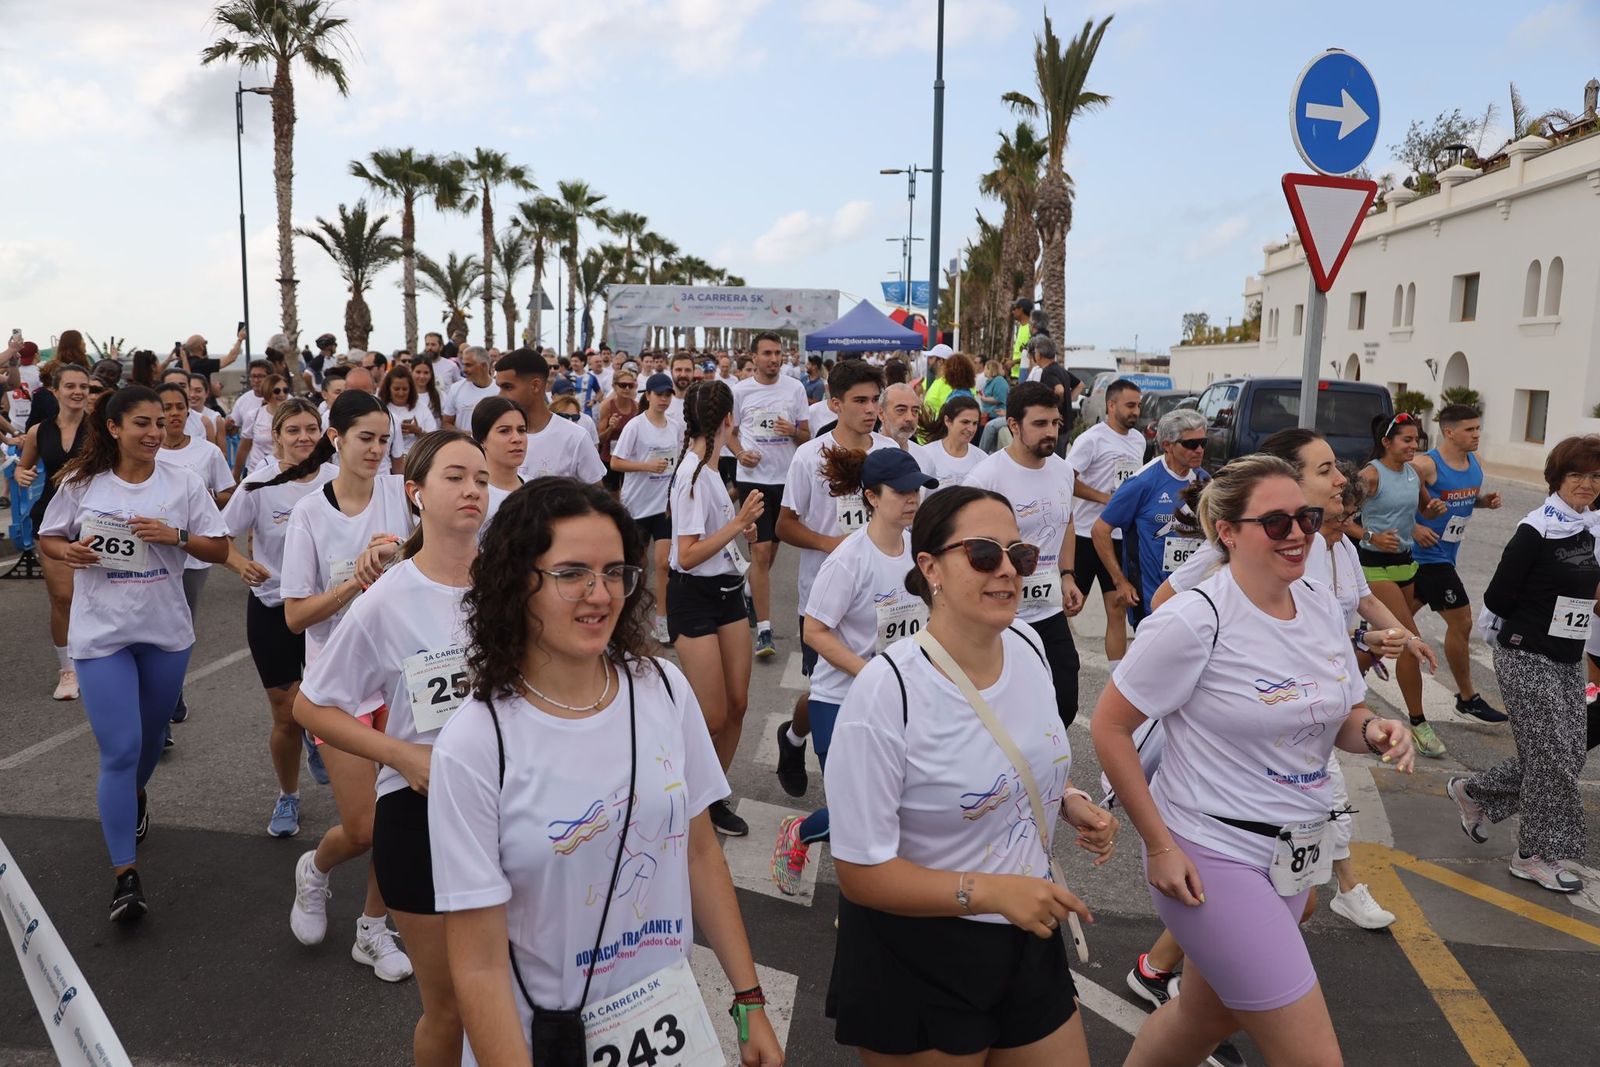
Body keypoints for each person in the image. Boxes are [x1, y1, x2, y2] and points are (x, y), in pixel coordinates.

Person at [428, 478, 783, 1067]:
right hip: (543, 1042)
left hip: (671, 1031)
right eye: (571, 574)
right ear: (518, 582)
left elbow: (698, 853)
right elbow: (479, 964)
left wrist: (749, 1002)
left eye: (615, 571)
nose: (601, 594)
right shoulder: (475, 742)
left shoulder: (663, 688)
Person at [1092, 454, 1415, 1067]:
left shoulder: (1320, 604)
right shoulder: (1195, 617)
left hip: (1292, 853)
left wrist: (1375, 729)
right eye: (1276, 522)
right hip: (1211, 857)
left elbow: (1343, 718)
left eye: (1306, 518)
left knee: (1200, 1019)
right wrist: (1159, 844)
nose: (1297, 534)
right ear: (1228, 531)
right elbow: (1109, 727)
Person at [824, 484, 1114, 1064]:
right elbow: (860, 873)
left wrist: (1068, 796)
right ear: (929, 566)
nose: (1008, 570)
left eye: (1020, 555)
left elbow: (1022, 754)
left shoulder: (1030, 646)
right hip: (918, 953)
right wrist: (990, 892)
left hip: (1025, 933)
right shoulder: (888, 691)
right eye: (984, 554)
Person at [297, 431, 487, 1066]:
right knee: (451, 1006)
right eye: (456, 477)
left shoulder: (514, 589)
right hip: (421, 816)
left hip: (508, 809)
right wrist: (402, 757)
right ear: (416, 493)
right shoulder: (387, 599)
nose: (472, 490)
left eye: (481, 480)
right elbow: (311, 705)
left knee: (511, 991)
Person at [37, 385, 231, 920]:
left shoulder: (184, 482)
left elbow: (218, 547)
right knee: (120, 750)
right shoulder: (83, 483)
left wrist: (176, 535)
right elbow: (49, 538)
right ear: (115, 428)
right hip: (101, 635)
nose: (153, 432)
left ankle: (132, 796)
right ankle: (125, 876)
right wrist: (69, 550)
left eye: (161, 422)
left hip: (165, 632)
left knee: (147, 745)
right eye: (141, 423)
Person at [277, 389, 415, 982]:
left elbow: (421, 561)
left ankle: (372, 927)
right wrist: (356, 580)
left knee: (401, 818)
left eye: (385, 439)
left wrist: (399, 555)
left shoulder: (399, 494)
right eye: (366, 438)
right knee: (362, 828)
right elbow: (295, 616)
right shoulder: (310, 512)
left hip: (402, 678)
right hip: (337, 687)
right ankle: (315, 869)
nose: (378, 450)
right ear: (336, 438)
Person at [771, 447, 933, 895]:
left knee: (899, 805)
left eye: (915, 489)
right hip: (841, 699)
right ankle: (800, 834)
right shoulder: (849, 559)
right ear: (871, 497)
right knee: (853, 812)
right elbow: (815, 631)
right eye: (901, 491)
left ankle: (880, 898)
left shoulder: (919, 549)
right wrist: (870, 672)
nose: (912, 498)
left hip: (902, 698)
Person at [1449, 435, 1600, 894]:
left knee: (1567, 752)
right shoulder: (1536, 530)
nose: (1587, 485)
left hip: (1566, 656)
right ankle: (1533, 854)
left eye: (1595, 477)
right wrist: (1546, 607)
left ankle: (1473, 793)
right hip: (1524, 652)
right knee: (1552, 756)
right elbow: (1497, 597)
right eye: (1577, 475)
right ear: (1557, 479)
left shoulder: (1588, 527)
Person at [773, 361, 899, 795]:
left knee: (875, 686)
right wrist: (834, 544)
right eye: (860, 401)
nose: (870, 409)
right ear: (834, 404)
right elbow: (784, 525)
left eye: (875, 400)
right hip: (824, 601)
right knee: (826, 687)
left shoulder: (890, 453)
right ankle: (793, 737)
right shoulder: (810, 455)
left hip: (885, 600)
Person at [221, 398, 333, 837]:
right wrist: (240, 565)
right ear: (276, 435)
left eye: (311, 429)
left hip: (328, 609)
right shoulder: (258, 484)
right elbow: (219, 536)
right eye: (294, 430)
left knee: (332, 702)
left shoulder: (337, 479)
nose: (304, 438)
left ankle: (319, 734)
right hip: (273, 606)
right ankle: (289, 795)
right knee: (286, 713)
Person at [668, 381, 767, 837]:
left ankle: (713, 799)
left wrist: (737, 534)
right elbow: (687, 555)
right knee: (711, 715)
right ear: (728, 420)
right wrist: (739, 522)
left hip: (728, 593)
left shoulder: (709, 471)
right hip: (692, 597)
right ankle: (680, 797)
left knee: (738, 704)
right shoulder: (690, 474)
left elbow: (713, 540)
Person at [964, 381, 1086, 728]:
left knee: (1064, 699)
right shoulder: (986, 478)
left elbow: (1067, 522)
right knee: (1003, 709)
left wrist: (1067, 575)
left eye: (1056, 424)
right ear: (1014, 425)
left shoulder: (1062, 470)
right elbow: (967, 546)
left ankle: (1043, 765)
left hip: (1047, 607)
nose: (1051, 432)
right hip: (1000, 613)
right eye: (1040, 424)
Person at [1346, 412, 1451, 757]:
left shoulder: (1413, 473)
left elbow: (1425, 511)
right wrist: (1371, 536)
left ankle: (1344, 686)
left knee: (1386, 640)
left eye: (1416, 440)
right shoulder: (1370, 476)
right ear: (1387, 442)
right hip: (1374, 568)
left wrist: (1434, 509)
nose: (1413, 445)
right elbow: (1341, 518)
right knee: (1409, 637)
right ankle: (1419, 723)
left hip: (1406, 564)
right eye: (1406, 439)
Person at [1409, 404, 1507, 723]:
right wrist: (1414, 527)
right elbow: (1389, 498)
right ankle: (1468, 698)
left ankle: (1350, 665)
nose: (1477, 434)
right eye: (1470, 429)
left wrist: (1482, 502)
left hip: (1445, 556)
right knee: (1462, 622)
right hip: (1425, 557)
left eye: (1478, 429)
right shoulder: (1425, 465)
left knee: (1392, 628)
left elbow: (1458, 499)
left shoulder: (1474, 462)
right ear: (1449, 431)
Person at [155, 382, 236, 725]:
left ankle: (172, 694)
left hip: (193, 553)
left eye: (179, 406)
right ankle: (163, 698)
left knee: (180, 625)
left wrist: (202, 498)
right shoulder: (147, 451)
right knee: (155, 625)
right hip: (153, 553)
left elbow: (229, 493)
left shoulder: (207, 453)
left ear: (188, 410)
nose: (174, 413)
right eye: (167, 407)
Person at [730, 331, 812, 659]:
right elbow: (729, 433)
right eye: (767, 353)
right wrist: (739, 453)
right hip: (754, 479)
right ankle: (765, 631)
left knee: (771, 553)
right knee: (760, 553)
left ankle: (750, 590)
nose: (774, 359)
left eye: (778, 353)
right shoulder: (740, 391)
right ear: (754, 358)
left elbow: (806, 436)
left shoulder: (795, 388)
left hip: (787, 481)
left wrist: (792, 431)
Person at [1092, 408, 1210, 631]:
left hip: (1193, 594)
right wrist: (1120, 580)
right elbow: (1100, 530)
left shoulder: (1204, 480)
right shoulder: (1142, 482)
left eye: (1203, 442)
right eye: (1191, 444)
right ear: (1167, 445)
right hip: (1151, 597)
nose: (1200, 450)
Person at [15, 363, 90, 700]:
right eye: (71, 386)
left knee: (97, 597)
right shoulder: (38, 431)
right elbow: (23, 466)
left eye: (83, 387)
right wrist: (21, 476)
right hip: (51, 518)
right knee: (62, 597)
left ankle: (97, 660)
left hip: (95, 520)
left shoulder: (104, 430)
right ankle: (68, 669)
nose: (77, 392)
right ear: (57, 390)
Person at [1070, 378, 1147, 661]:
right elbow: (1068, 480)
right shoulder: (1091, 439)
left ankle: (1116, 679)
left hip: (1119, 538)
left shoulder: (1139, 441)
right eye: (1129, 405)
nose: (1135, 411)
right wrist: (1105, 499)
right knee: (1071, 606)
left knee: (1116, 608)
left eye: (1137, 405)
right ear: (1111, 405)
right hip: (1085, 535)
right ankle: (1059, 664)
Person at [609, 372, 680, 644]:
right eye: (659, 394)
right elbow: (616, 462)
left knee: (663, 564)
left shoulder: (674, 427)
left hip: (663, 506)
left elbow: (676, 462)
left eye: (667, 394)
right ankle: (625, 616)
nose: (663, 398)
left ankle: (661, 621)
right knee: (636, 566)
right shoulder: (635, 427)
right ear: (647, 395)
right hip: (636, 506)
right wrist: (646, 466)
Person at [492, 348, 606, 482]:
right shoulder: (491, 435)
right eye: (499, 387)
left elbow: (597, 497)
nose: (500, 396)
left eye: (507, 387)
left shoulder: (575, 438)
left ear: (535, 386)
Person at [469, 396, 526, 529]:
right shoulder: (471, 496)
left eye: (521, 430)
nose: (517, 439)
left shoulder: (537, 490)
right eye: (504, 431)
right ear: (481, 439)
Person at [913, 395, 985, 486]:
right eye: (965, 422)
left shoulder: (982, 459)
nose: (971, 429)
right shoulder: (926, 454)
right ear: (947, 421)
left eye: (975, 423)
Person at [595, 363, 640, 495]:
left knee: (629, 494)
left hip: (629, 459)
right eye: (622, 385)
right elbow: (599, 439)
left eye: (630, 385)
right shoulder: (607, 406)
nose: (626, 388)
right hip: (609, 457)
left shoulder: (636, 407)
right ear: (614, 386)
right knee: (612, 496)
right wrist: (611, 427)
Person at [1029, 336, 1081, 452]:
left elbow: (1059, 390)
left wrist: (1054, 409)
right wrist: (1068, 400)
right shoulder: (1061, 370)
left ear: (1038, 354)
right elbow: (1080, 384)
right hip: (1066, 426)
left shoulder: (1048, 372)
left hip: (1057, 428)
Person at [234, 374, 292, 476]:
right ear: (267, 392)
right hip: (257, 473)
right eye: (277, 391)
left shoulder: (294, 417)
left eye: (285, 390)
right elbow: (244, 448)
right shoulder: (253, 416)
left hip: (285, 473)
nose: (282, 394)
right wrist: (236, 476)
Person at [382, 363, 438, 457]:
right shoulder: (382, 407)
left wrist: (417, 431)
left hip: (414, 457)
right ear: (388, 389)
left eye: (405, 389)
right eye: (396, 389)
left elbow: (434, 439)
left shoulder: (421, 408)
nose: (401, 393)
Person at [441, 346, 498, 431]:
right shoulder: (456, 388)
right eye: (463, 364)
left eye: (468, 365)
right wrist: (464, 436)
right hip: (463, 443)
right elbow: (446, 423)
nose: (464, 369)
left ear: (483, 366)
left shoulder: (500, 390)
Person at [880, 382, 920, 451]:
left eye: (915, 411)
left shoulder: (923, 456)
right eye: (901, 410)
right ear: (881, 414)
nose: (910, 418)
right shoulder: (867, 455)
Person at [411, 357, 444, 424]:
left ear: (431, 374)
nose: (422, 376)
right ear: (411, 372)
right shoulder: (405, 395)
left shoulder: (440, 396)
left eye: (426, 373)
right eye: (418, 372)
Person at [1009, 297, 1032, 377]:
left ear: (1021, 309)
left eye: (1014, 308)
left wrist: (1014, 362)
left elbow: (1032, 353)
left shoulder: (1031, 328)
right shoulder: (1021, 327)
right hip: (1017, 375)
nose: (1012, 311)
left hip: (1025, 374)